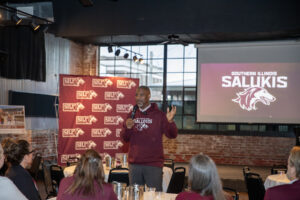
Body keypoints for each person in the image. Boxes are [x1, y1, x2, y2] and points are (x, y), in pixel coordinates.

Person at [121, 86, 177, 191]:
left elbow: (172, 135)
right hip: (135, 164)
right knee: (135, 197)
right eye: (136, 95)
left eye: (141, 95)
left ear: (149, 96)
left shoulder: (159, 115)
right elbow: (125, 138)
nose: (138, 98)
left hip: (153, 164)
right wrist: (127, 128)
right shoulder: (131, 114)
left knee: (155, 197)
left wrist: (170, 122)